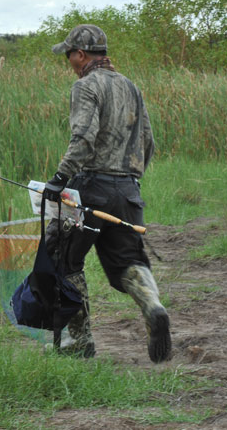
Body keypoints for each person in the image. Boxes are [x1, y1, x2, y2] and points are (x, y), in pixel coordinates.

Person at [44, 24, 171, 363]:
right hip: (129, 191)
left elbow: (83, 138)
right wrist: (130, 178)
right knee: (128, 261)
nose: (69, 61)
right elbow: (149, 142)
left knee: (63, 259)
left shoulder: (85, 86)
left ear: (81, 54)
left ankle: (79, 343)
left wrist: (59, 179)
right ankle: (153, 307)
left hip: (91, 190)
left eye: (69, 54)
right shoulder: (131, 86)